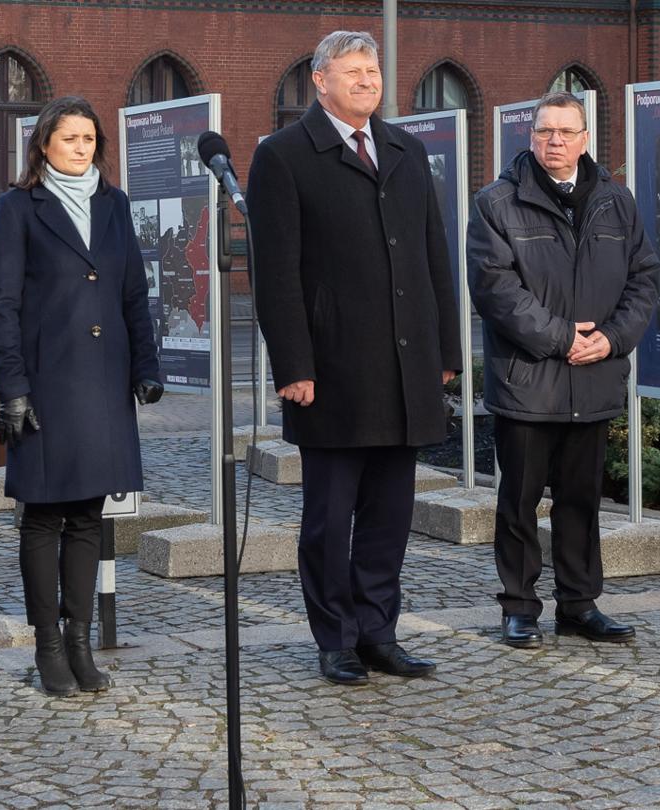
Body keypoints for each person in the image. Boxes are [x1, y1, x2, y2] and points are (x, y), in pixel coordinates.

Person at [246, 31, 461, 686]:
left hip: (404, 368)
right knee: (329, 519)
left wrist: (446, 350)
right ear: (320, 80)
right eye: (354, 71)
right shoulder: (283, 156)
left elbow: (433, 255)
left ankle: (378, 633)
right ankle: (335, 638)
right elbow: (275, 275)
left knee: (389, 519)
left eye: (373, 70)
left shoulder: (405, 150)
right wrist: (294, 365)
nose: (368, 80)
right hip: (332, 371)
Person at [0, 96, 163, 696]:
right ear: (43, 145)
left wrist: (146, 364)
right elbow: (1, 306)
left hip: (105, 382)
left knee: (89, 515)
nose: (81, 148)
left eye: (89, 139)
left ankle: (80, 642)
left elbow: (133, 292)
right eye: (70, 138)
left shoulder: (114, 204)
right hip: (45, 383)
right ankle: (48, 646)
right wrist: (12, 387)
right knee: (43, 515)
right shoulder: (18, 208)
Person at [469, 92, 659, 649]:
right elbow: (496, 290)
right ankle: (519, 607)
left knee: (581, 501)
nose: (554, 141)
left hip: (594, 375)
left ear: (584, 139)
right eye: (545, 131)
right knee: (519, 503)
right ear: (531, 136)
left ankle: (579, 604)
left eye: (565, 131)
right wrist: (562, 338)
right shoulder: (497, 202)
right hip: (529, 380)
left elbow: (644, 278)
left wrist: (612, 338)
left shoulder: (616, 202)